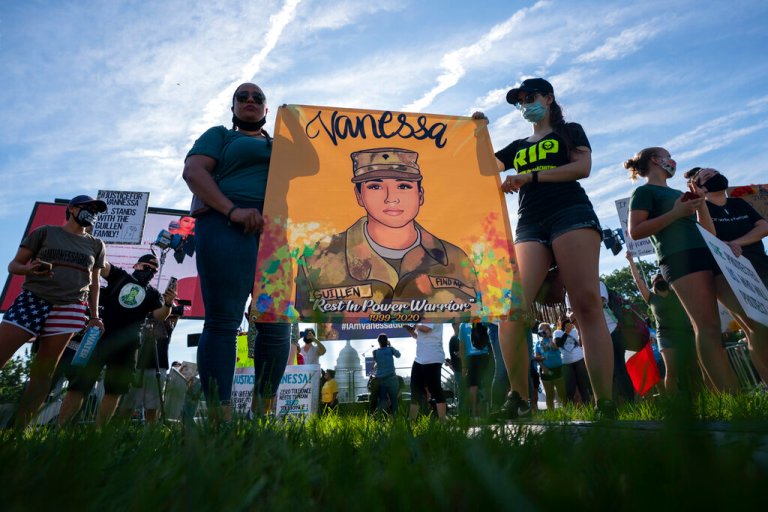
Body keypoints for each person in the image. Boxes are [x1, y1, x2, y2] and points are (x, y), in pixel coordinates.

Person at [475, 77, 615, 418]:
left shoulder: (570, 131)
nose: (524, 104)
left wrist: (531, 176)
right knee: (511, 308)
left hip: (571, 214)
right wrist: (479, 131)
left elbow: (582, 168)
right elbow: (483, 169)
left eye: (530, 97)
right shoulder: (517, 145)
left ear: (548, 98)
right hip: (529, 223)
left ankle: (604, 402)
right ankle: (519, 398)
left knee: (585, 304)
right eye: (519, 101)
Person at [183, 82, 291, 421]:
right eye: (242, 96)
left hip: (276, 233)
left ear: (266, 110)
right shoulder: (220, 136)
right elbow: (194, 171)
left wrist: (299, 124)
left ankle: (262, 413)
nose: (249, 100)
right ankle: (221, 416)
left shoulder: (284, 147)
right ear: (232, 107)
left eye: (257, 98)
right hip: (225, 225)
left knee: (276, 324)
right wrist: (231, 210)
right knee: (224, 321)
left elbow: (323, 165)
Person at [295, 147, 479, 320]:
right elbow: (299, 319)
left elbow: (479, 314)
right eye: (375, 186)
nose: (391, 198)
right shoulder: (318, 259)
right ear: (359, 196)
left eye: (404, 186)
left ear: (420, 195)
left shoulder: (455, 259)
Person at [626, 147, 740, 392]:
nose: (672, 161)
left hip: (707, 254)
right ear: (656, 161)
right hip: (679, 258)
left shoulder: (679, 192)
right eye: (667, 156)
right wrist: (676, 213)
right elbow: (636, 231)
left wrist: (701, 204)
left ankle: (731, 392)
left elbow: (710, 233)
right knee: (706, 327)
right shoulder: (644, 192)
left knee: (734, 321)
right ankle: (730, 396)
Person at [0, 195, 106, 427]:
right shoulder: (45, 232)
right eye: (88, 208)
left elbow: (95, 281)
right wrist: (30, 269)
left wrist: (94, 315)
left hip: (70, 307)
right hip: (32, 300)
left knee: (44, 371)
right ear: (72, 209)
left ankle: (19, 429)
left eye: (96, 211)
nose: (93, 213)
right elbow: (14, 265)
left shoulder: (96, 244)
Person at [57, 254, 176, 426]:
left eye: (153, 271)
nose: (150, 272)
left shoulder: (153, 294)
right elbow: (102, 266)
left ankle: (99, 433)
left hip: (128, 345)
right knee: (79, 385)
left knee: (115, 390)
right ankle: (60, 428)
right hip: (99, 338)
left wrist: (168, 304)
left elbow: (159, 315)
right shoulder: (120, 277)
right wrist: (93, 250)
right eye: (147, 267)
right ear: (136, 266)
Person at [685, 167, 768, 383]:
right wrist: (700, 203)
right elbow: (709, 234)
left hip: (759, 265)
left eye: (716, 173)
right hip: (726, 273)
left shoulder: (739, 204)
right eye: (708, 177)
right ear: (700, 186)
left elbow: (763, 226)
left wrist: (736, 243)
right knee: (756, 325)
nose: (715, 176)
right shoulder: (702, 210)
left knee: (760, 329)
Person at [626, 251, 698, 394]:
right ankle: (674, 405)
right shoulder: (650, 298)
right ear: (653, 285)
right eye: (656, 280)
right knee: (671, 371)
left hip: (685, 332)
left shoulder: (676, 292)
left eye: (661, 278)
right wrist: (631, 261)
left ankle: (701, 397)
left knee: (694, 368)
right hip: (665, 336)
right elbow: (638, 281)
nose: (659, 280)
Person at [118, 309, 181, 422]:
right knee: (128, 404)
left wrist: (170, 308)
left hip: (159, 366)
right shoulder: (142, 318)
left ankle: (150, 434)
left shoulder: (167, 324)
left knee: (153, 406)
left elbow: (175, 316)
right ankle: (119, 431)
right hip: (137, 366)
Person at [405, 323, 447, 420]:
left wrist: (413, 323)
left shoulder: (433, 312)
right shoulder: (422, 317)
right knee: (415, 389)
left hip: (432, 357)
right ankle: (411, 421)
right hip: (420, 358)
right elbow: (418, 336)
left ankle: (443, 421)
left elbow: (426, 328)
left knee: (435, 389)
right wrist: (410, 330)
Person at [458, 322, 494, 417]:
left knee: (472, 386)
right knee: (487, 383)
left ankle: (474, 413)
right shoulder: (484, 320)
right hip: (485, 355)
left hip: (471, 358)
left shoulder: (463, 325)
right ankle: (489, 410)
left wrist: (463, 366)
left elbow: (462, 346)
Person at [556, 317, 592, 405]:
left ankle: (588, 408)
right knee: (569, 388)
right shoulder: (557, 332)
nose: (566, 322)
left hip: (580, 361)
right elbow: (558, 344)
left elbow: (582, 341)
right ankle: (572, 411)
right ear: (559, 322)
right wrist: (566, 333)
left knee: (583, 386)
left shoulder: (576, 330)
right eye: (563, 320)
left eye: (567, 319)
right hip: (566, 363)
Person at [534, 323, 566, 410]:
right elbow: (537, 357)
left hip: (557, 369)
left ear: (549, 330)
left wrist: (550, 337)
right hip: (545, 371)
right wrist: (544, 368)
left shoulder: (554, 339)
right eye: (541, 329)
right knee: (549, 394)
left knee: (562, 393)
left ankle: (566, 412)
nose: (543, 331)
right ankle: (551, 414)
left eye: (545, 329)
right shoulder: (538, 343)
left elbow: (555, 348)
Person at [372, 333, 401, 415]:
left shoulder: (375, 352)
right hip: (392, 379)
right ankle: (396, 419)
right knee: (394, 400)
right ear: (387, 341)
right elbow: (398, 355)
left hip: (381, 380)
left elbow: (378, 363)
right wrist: (390, 345)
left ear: (378, 342)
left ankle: (381, 419)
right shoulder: (391, 349)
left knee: (383, 400)